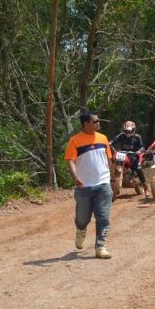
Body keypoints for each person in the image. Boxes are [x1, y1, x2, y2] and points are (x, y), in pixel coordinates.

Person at [64, 109, 113, 259]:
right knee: (82, 218)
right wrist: (75, 177)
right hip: (84, 187)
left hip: (103, 184)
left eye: (98, 121)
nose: (98, 123)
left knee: (103, 217)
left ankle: (100, 247)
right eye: (95, 121)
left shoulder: (103, 138)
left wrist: (112, 177)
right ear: (86, 123)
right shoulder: (75, 140)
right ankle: (81, 230)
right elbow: (70, 161)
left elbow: (108, 159)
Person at [110, 120, 148, 196]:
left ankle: (146, 187)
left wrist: (139, 151)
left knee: (138, 169)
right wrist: (109, 143)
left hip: (133, 156)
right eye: (126, 131)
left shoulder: (137, 137)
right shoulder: (121, 135)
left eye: (130, 131)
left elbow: (142, 147)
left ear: (134, 129)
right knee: (112, 164)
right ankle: (114, 187)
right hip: (123, 155)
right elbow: (113, 141)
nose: (128, 132)